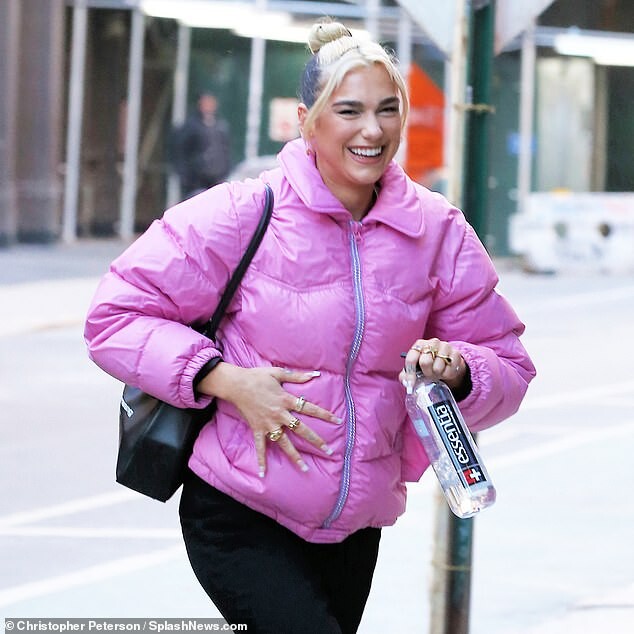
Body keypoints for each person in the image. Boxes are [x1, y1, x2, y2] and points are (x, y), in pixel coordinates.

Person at [84, 20, 536, 634]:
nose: (372, 130)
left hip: (355, 530)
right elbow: (115, 316)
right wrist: (224, 379)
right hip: (240, 511)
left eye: (388, 110)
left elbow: (508, 367)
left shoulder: (437, 232)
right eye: (349, 111)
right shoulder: (244, 212)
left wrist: (458, 371)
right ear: (306, 121)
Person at [171, 91, 231, 199]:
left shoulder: (221, 125)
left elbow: (225, 150)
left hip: (217, 178)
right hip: (196, 180)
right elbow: (180, 150)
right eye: (206, 103)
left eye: (211, 103)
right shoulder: (191, 125)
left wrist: (225, 170)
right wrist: (185, 174)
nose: (208, 106)